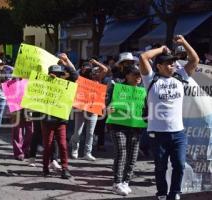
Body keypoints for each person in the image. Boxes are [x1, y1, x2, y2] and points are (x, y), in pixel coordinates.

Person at [139, 35, 199, 200]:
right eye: (168, 63)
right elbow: (143, 57)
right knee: (160, 167)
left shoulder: (180, 77)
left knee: (179, 165)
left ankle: (175, 193)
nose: (172, 65)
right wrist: (162, 49)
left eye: (173, 62)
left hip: (178, 133)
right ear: (159, 66)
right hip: (157, 134)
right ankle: (162, 194)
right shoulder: (151, 79)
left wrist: (184, 43)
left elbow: (194, 59)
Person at [107, 65, 144, 196]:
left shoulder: (143, 90)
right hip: (118, 125)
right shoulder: (116, 88)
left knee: (133, 155)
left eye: (140, 75)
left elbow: (147, 108)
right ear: (127, 75)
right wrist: (108, 108)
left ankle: (126, 182)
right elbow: (107, 103)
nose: (138, 77)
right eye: (135, 74)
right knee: (121, 153)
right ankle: (117, 183)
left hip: (135, 126)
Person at [41, 53, 78, 179]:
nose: (56, 77)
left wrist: (66, 62)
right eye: (54, 74)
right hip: (47, 119)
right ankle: (45, 167)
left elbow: (75, 75)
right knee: (48, 145)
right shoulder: (43, 83)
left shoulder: (65, 83)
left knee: (62, 144)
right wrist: (47, 80)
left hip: (61, 119)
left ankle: (65, 169)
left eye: (59, 75)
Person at [70, 59, 108, 161]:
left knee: (90, 133)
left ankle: (87, 152)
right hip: (80, 109)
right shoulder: (78, 78)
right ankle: (75, 150)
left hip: (93, 109)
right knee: (78, 132)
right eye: (83, 67)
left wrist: (95, 62)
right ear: (81, 69)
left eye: (88, 68)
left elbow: (105, 69)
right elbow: (72, 69)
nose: (86, 69)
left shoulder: (96, 78)